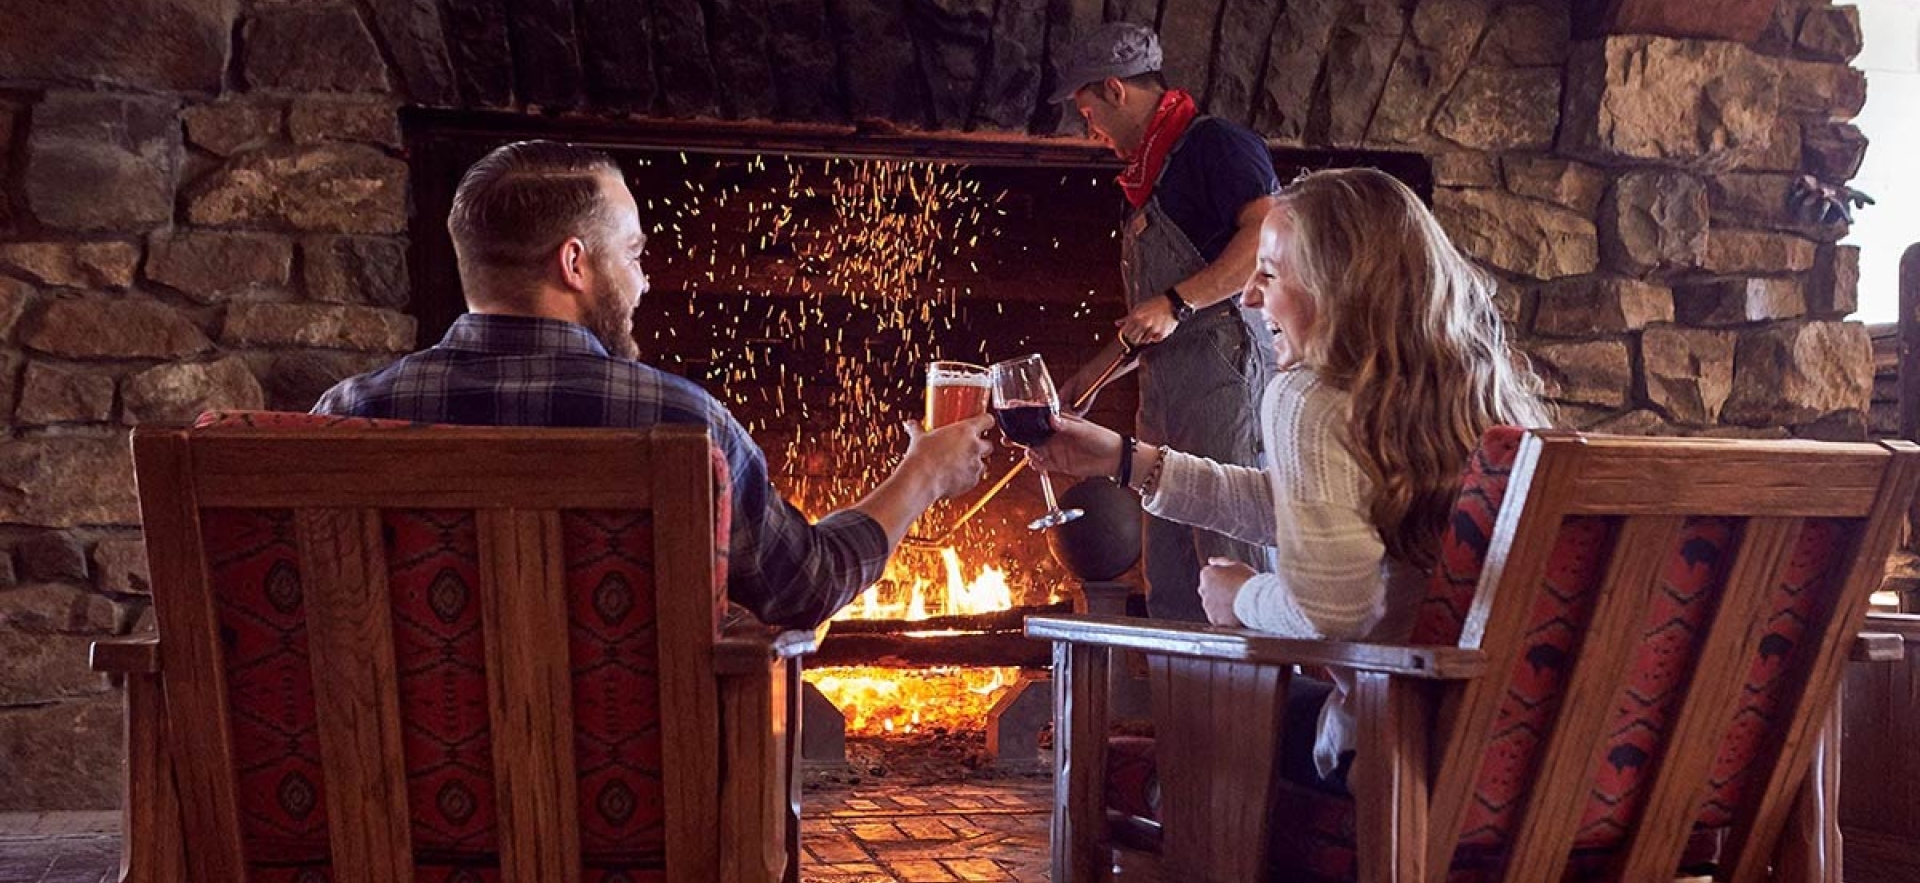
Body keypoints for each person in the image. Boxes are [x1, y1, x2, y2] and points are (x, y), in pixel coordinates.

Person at [313, 140, 994, 629]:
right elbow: (806, 587)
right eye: (634, 254)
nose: (643, 282)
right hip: (639, 819)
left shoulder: (346, 418)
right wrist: (924, 474)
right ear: (574, 263)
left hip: (393, 808)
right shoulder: (680, 419)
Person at [1025, 168, 1549, 785]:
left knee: (1162, 746)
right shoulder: (1478, 402)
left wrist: (1238, 597)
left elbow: (1331, 609)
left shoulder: (1307, 398)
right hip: (1511, 763)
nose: (1247, 297)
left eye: (1268, 274)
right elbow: (1303, 506)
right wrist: (1126, 460)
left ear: (1339, 289)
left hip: (1392, 760)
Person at [1049, 21, 1279, 622]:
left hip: (1227, 391)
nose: (1088, 128)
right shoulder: (1150, 177)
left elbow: (1269, 235)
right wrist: (1090, 380)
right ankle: (1182, 716)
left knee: (1232, 561)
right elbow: (1149, 321)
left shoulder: (1216, 147)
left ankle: (1260, 715)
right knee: (1171, 579)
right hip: (1167, 404)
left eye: (1086, 109)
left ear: (1116, 90)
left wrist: (1179, 301)